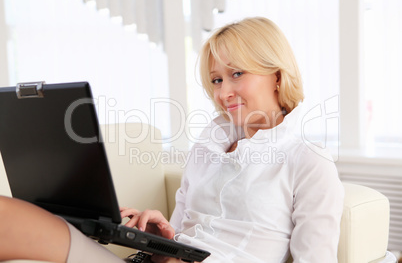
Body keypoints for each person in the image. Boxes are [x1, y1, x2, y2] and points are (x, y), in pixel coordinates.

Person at [0, 17, 344, 263]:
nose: (223, 92)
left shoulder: (308, 162)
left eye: (236, 74)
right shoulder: (207, 149)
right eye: (216, 80)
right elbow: (180, 233)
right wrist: (160, 236)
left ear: (277, 75)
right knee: (8, 216)